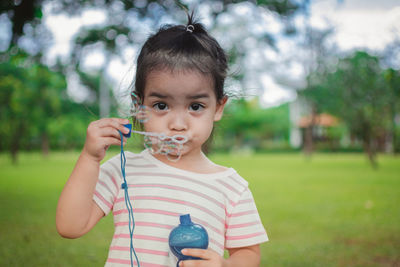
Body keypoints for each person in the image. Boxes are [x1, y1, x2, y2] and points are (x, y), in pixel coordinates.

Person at [56, 12, 268, 267]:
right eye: (161, 105)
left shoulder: (231, 188)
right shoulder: (123, 171)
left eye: (196, 106)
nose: (177, 124)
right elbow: (70, 226)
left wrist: (223, 265)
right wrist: (90, 158)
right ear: (138, 105)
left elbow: (248, 255)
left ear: (219, 107)